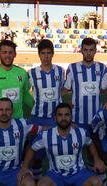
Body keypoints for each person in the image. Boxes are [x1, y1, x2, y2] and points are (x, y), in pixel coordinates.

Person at [18, 103, 106, 186]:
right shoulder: (46, 135)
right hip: (55, 175)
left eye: (67, 115)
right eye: (60, 115)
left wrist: (97, 160)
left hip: (79, 173)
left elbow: (90, 144)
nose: (63, 118)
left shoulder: (81, 132)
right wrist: (25, 167)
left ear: (71, 117)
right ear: (55, 118)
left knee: (96, 182)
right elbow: (32, 149)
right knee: (42, 184)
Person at [28, 39, 65, 179]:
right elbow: (25, 93)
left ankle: (56, 180)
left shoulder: (60, 71)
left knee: (57, 155)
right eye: (43, 53)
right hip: (37, 118)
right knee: (36, 156)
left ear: (53, 54)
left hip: (56, 120)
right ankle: (37, 180)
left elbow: (63, 90)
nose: (46, 56)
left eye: (49, 53)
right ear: (38, 54)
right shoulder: (31, 73)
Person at [64, 38, 106, 130]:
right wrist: (65, 105)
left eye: (91, 50)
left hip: (97, 118)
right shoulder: (72, 67)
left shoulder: (102, 68)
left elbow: (105, 90)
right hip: (77, 119)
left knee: (96, 144)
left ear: (95, 51)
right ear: (81, 51)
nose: (88, 53)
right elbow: (65, 90)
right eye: (85, 50)